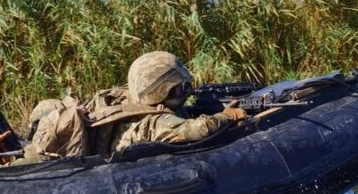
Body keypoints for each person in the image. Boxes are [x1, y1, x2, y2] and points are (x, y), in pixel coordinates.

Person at [90, 51, 246, 155]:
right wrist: (228, 116)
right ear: (163, 91)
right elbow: (199, 129)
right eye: (181, 88)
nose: (186, 92)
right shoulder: (153, 124)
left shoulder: (128, 102)